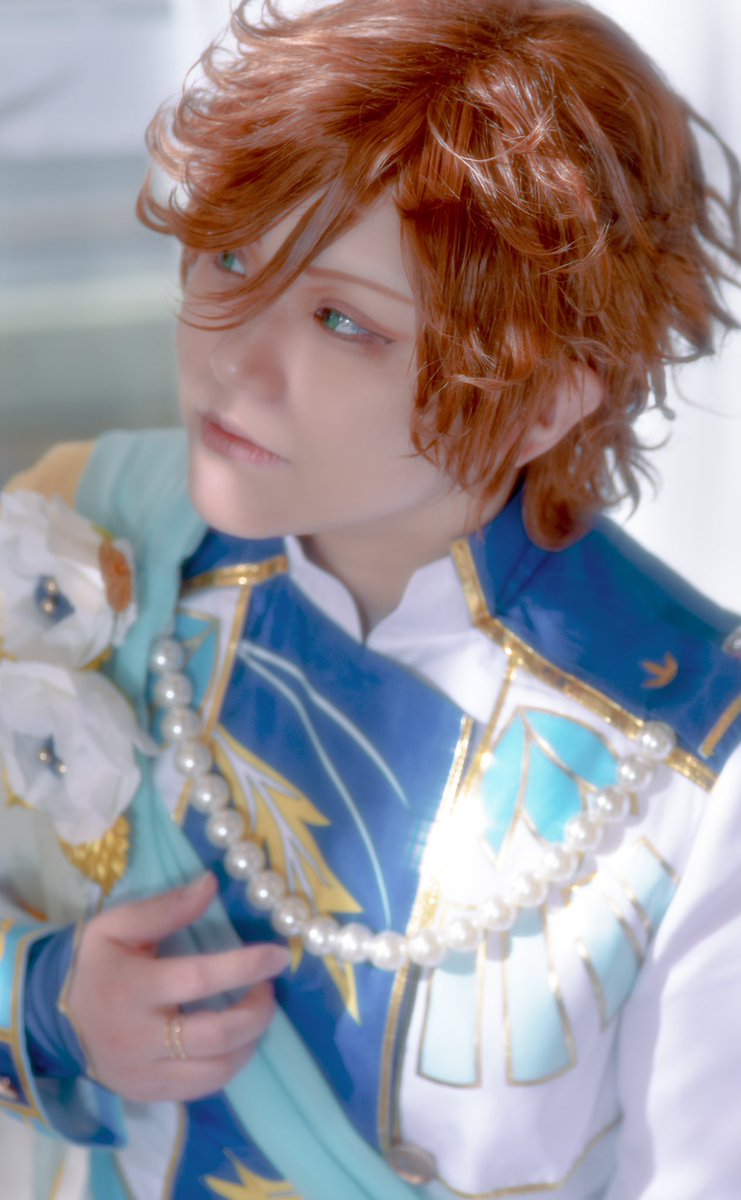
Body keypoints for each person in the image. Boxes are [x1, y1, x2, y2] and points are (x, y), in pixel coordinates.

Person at [1, 0, 740, 1196]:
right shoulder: (80, 540)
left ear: (545, 399)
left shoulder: (703, 756)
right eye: (231, 255)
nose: (233, 353)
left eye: (342, 320)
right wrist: (41, 1005)